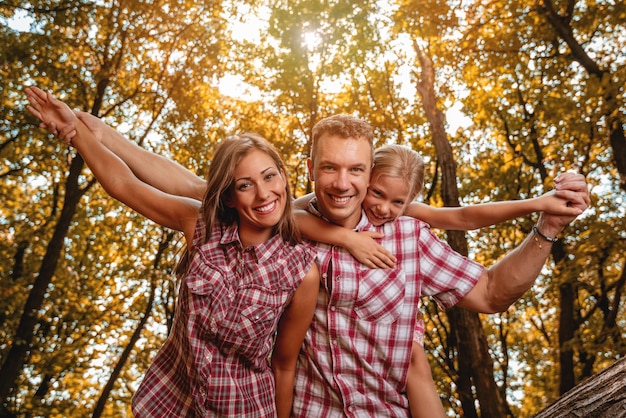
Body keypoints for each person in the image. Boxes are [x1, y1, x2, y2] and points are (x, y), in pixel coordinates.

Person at [41, 107, 589, 416]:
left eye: (356, 170)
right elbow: (171, 185)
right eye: (330, 168)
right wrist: (87, 129)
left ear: (370, 171)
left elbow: (491, 291)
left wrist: (545, 225)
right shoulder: (277, 224)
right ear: (309, 168)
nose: (344, 183)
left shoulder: (405, 236)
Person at [25, 86, 320, 418]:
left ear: (284, 177)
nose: (263, 193)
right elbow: (124, 184)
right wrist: (75, 131)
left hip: (245, 410)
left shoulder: (302, 273)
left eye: (270, 176)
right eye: (245, 184)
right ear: (228, 196)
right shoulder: (202, 228)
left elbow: (283, 365)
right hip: (168, 405)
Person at [292, 143, 585, 418]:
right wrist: (343, 236)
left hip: (385, 407)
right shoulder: (300, 224)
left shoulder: (407, 230)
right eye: (377, 193)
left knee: (415, 361)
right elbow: (289, 210)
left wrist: (541, 211)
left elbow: (465, 220)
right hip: (310, 407)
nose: (383, 208)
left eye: (397, 201)